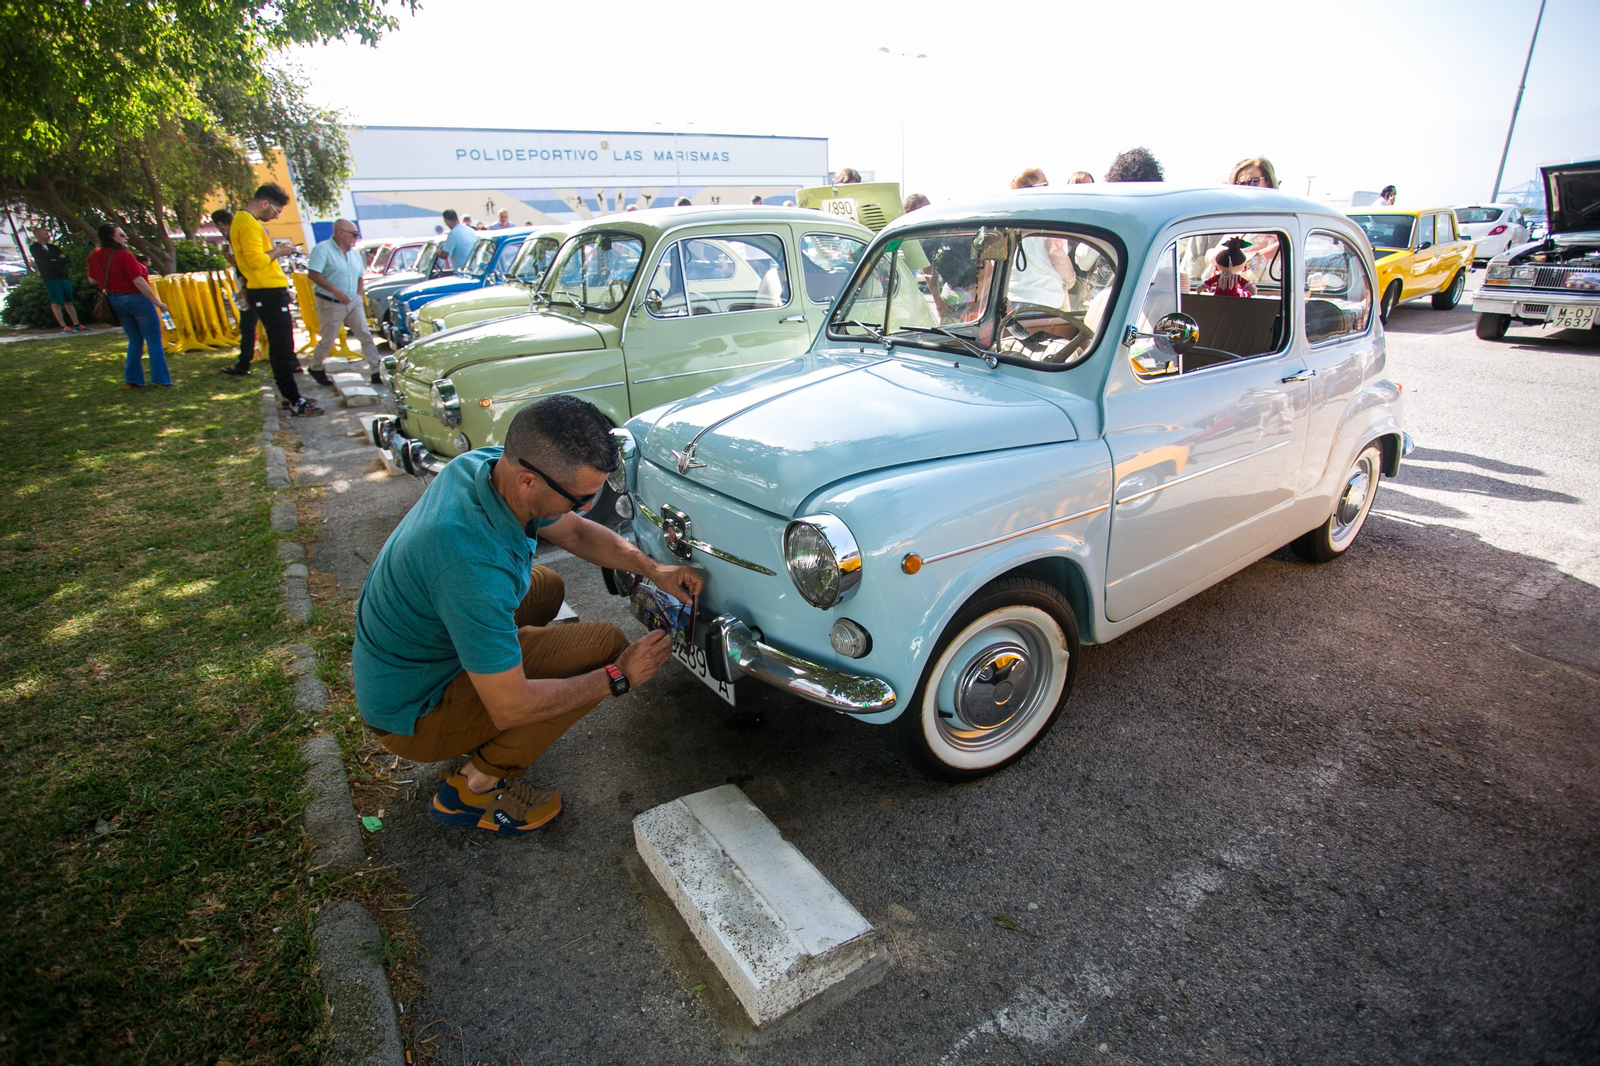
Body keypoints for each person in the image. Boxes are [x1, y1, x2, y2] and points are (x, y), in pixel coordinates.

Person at [353, 395, 706, 835]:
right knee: (604, 650)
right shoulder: (470, 566)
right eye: (579, 498)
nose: (584, 508)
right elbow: (511, 707)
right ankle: (472, 789)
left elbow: (575, 532)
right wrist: (619, 677)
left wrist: (653, 568)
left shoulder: (484, 467)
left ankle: (501, 677)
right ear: (527, 481)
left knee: (548, 586)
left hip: (418, 658)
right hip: (413, 714)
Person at [230, 183, 321, 416]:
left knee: (283, 345)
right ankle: (292, 399)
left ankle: (291, 395)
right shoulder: (248, 224)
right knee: (281, 347)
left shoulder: (244, 222)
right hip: (267, 292)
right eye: (276, 210)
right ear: (264, 203)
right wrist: (278, 252)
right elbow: (254, 262)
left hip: (266, 290)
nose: (276, 216)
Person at [86, 223, 172, 387]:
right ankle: (160, 379)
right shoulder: (123, 256)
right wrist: (157, 302)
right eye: (121, 235)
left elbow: (92, 279)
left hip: (114, 300)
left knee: (134, 339)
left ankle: (132, 379)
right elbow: (138, 281)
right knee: (153, 339)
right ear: (112, 237)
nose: (125, 238)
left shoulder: (94, 255)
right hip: (136, 299)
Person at [305, 219, 382, 386]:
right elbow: (313, 274)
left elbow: (360, 276)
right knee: (328, 340)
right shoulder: (322, 250)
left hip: (353, 300)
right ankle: (315, 367)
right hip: (330, 302)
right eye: (353, 234)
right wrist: (334, 290)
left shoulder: (354, 253)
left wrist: (358, 296)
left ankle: (376, 370)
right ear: (340, 233)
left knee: (365, 335)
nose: (356, 238)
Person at [212, 209, 260, 377]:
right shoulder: (244, 230)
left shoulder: (234, 234)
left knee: (247, 326)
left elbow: (237, 262)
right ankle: (291, 362)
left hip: (250, 286)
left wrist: (225, 254)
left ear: (220, 224)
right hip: (257, 284)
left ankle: (244, 363)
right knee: (271, 325)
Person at [29, 227, 87, 333]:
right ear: (39, 234)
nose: (48, 234)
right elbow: (44, 262)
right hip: (51, 278)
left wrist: (54, 260)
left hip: (63, 276)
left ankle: (77, 324)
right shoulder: (35, 248)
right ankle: (63, 326)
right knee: (56, 302)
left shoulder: (53, 247)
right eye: (45, 233)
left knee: (68, 301)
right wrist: (56, 260)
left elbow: (65, 260)